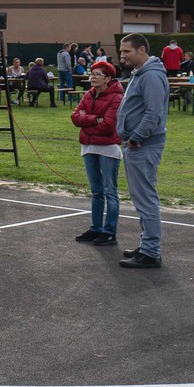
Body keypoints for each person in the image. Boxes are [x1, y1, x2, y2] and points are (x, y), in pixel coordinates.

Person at [115, 34, 168, 269]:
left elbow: (153, 113)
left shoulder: (152, 76)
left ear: (142, 51)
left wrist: (135, 138)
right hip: (138, 144)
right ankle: (147, 245)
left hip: (144, 145)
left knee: (146, 199)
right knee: (141, 199)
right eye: (121, 50)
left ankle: (151, 251)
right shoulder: (141, 74)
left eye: (127, 51)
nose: (122, 55)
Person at [70, 58, 124, 247]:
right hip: (89, 146)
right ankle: (95, 228)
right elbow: (75, 117)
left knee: (110, 190)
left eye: (97, 75)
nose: (92, 77)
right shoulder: (88, 94)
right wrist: (95, 120)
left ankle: (109, 232)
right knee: (96, 191)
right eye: (91, 74)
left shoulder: (117, 97)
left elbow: (109, 126)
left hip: (108, 148)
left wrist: (87, 123)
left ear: (108, 78)